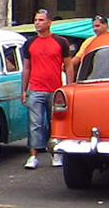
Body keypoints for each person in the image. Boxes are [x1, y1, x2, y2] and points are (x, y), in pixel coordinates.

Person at [20, 9, 73, 169]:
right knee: (34, 124)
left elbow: (68, 66)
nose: (38, 23)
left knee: (55, 124)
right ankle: (33, 156)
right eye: (36, 20)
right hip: (36, 88)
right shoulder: (29, 43)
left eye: (41, 20)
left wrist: (69, 88)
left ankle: (56, 153)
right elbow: (26, 68)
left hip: (56, 90)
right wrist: (24, 90)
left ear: (49, 22)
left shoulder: (60, 42)